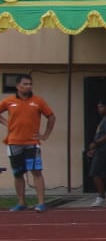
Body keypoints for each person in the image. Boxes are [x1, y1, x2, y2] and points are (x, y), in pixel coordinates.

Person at [0, 74, 56, 212]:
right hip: (14, 142)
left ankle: (41, 203)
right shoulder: (9, 101)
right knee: (18, 173)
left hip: (32, 142)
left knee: (36, 171)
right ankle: (21, 202)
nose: (28, 86)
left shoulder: (38, 101)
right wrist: (8, 123)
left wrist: (45, 135)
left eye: (30, 84)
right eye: (25, 84)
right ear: (18, 86)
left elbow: (51, 116)